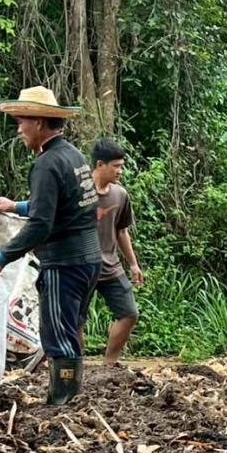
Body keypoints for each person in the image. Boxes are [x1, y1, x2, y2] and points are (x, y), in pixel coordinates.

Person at [0, 86, 99, 405]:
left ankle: (62, 404)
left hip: (65, 263)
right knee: (71, 329)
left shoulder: (47, 164)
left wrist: (1, 257)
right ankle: (71, 398)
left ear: (39, 122)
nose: (19, 127)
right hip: (88, 260)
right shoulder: (72, 155)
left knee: (57, 336)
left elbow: (41, 224)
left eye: (22, 120)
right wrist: (16, 206)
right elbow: (62, 206)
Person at [80, 138, 143, 366]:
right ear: (100, 165)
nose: (120, 171)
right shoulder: (79, 191)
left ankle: (109, 365)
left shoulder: (120, 195)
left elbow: (121, 231)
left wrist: (133, 264)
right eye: (116, 166)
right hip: (81, 267)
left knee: (129, 314)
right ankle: (77, 367)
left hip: (111, 266)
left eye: (121, 166)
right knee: (76, 321)